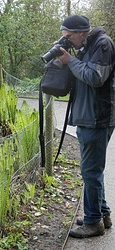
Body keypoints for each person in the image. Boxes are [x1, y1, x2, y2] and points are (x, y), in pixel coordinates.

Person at [57, 15, 115, 238]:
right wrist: (67, 59)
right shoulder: (86, 46)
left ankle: (93, 223)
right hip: (87, 117)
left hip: (97, 118)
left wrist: (70, 61)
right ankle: (102, 214)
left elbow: (94, 77)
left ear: (81, 32)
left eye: (69, 37)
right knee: (92, 171)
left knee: (90, 171)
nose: (68, 41)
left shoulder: (103, 44)